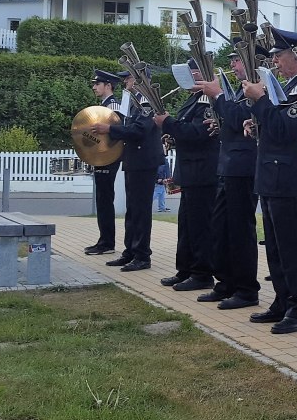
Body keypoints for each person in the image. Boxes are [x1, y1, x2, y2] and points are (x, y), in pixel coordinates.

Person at [243, 27, 297, 335]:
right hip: (272, 177)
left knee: (292, 249)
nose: (275, 62)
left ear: (296, 56)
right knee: (275, 247)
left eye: (280, 56)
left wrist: (260, 101)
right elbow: (275, 126)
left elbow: (288, 129)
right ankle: (282, 301)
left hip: (289, 179)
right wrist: (256, 122)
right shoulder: (286, 87)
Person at [194, 46, 261, 310]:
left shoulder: (257, 89)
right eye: (232, 61)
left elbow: (240, 118)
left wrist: (219, 95)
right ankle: (226, 283)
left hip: (244, 168)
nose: (233, 65)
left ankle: (246, 289)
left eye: (237, 60)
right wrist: (219, 124)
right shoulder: (240, 90)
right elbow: (233, 123)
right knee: (221, 228)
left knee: (240, 231)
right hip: (228, 166)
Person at [155, 59, 221, 291]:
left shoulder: (207, 101)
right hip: (191, 171)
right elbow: (186, 131)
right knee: (186, 225)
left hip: (202, 172)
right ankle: (185, 269)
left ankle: (202, 273)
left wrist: (167, 123)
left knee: (200, 226)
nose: (190, 78)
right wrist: (172, 135)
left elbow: (198, 133)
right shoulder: (193, 98)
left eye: (194, 73)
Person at [91, 71, 163, 272]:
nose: (125, 81)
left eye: (128, 77)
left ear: (139, 79)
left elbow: (140, 129)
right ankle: (130, 251)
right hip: (134, 160)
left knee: (140, 210)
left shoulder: (147, 99)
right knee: (132, 210)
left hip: (144, 161)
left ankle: (142, 255)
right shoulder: (133, 100)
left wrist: (109, 130)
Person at [84, 69, 122, 255]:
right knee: (102, 199)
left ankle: (107, 243)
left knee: (105, 200)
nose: (94, 87)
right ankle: (104, 240)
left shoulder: (113, 106)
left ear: (108, 86)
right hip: (102, 157)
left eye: (97, 84)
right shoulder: (104, 106)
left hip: (108, 158)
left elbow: (114, 135)